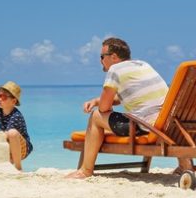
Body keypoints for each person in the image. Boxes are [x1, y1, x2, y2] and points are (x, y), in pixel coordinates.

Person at [66, 37, 168, 179]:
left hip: (145, 126)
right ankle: (183, 166)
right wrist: (97, 100)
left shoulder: (115, 70)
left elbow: (103, 109)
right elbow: (133, 96)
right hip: (167, 125)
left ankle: (85, 170)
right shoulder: (142, 65)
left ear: (113, 57)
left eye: (102, 56)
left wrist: (100, 105)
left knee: (96, 116)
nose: (100, 60)